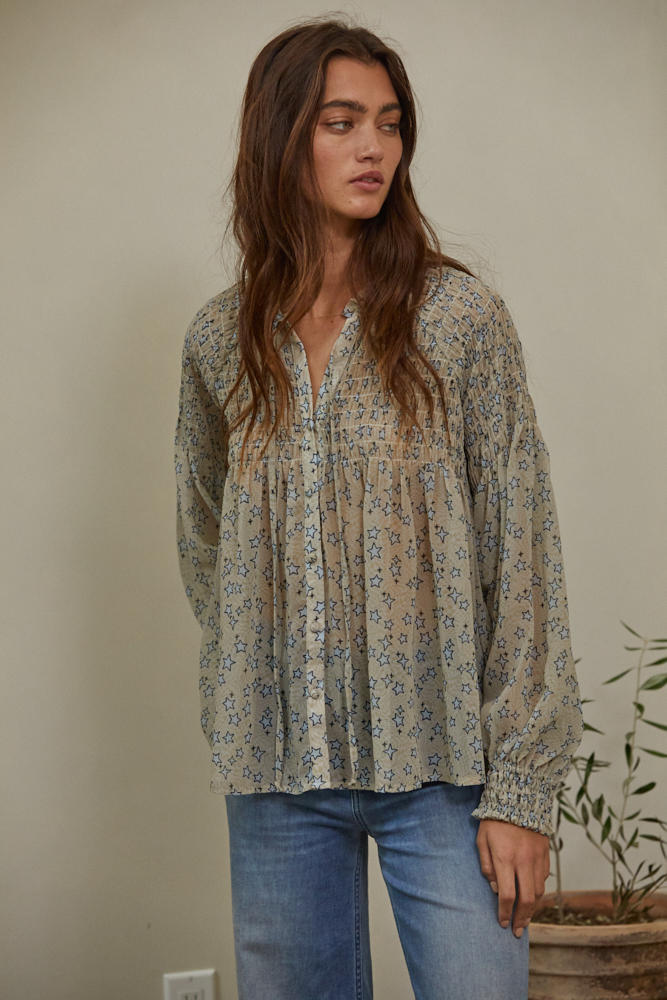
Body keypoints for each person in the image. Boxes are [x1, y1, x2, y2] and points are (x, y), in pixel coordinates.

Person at [174, 16, 584, 1000]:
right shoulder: (220, 342)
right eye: (342, 122)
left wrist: (521, 788)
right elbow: (207, 543)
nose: (374, 148)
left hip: (447, 773)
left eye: (389, 123)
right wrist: (253, 677)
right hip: (277, 775)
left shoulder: (459, 320)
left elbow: (521, 550)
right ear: (280, 137)